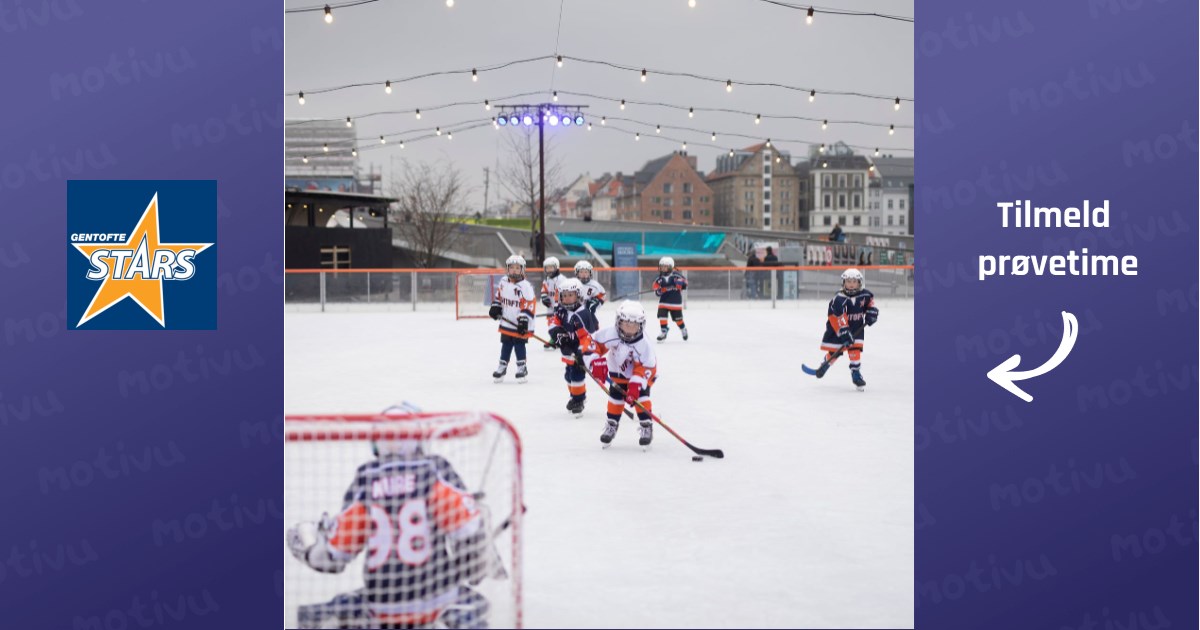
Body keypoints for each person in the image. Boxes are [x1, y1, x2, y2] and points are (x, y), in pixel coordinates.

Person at [286, 409, 499, 629]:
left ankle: (332, 618)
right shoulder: (433, 471)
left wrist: (310, 550)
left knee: (351, 602)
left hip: (383, 609)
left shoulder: (366, 480)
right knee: (477, 604)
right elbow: (469, 531)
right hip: (437, 600)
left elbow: (335, 556)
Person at [579, 301, 658, 447]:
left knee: (642, 399)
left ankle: (646, 426)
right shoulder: (611, 333)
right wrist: (595, 362)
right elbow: (592, 343)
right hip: (617, 375)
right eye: (625, 323)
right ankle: (612, 424)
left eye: (633, 325)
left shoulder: (644, 344)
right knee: (615, 399)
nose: (628, 328)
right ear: (618, 322)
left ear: (641, 325)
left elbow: (648, 366)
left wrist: (635, 386)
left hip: (638, 378)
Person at [816, 268, 878, 389]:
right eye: (848, 281)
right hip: (838, 327)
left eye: (854, 281)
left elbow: (870, 305)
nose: (851, 284)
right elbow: (838, 315)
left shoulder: (865, 295)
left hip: (857, 327)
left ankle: (856, 373)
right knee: (836, 351)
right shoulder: (839, 298)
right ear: (843, 283)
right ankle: (826, 363)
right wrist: (844, 331)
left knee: (855, 349)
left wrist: (871, 313)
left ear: (859, 283)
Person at [547, 278, 600, 416]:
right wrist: (559, 336)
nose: (567, 298)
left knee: (577, 376)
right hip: (568, 351)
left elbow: (587, 337)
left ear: (578, 295)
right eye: (564, 295)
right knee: (568, 375)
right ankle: (574, 396)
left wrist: (581, 352)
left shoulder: (582, 314)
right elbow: (554, 323)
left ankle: (579, 400)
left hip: (579, 351)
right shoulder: (561, 310)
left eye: (570, 295)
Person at [488, 255, 535, 383]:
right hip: (507, 321)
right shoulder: (503, 281)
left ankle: (522, 367)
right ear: (507, 269)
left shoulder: (525, 286)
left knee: (519, 344)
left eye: (517, 268)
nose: (514, 270)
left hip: (519, 323)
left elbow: (529, 304)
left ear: (522, 270)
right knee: (506, 344)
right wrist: (496, 307)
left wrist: (524, 320)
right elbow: (499, 298)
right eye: (511, 267)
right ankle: (502, 366)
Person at [652, 256, 688, 342]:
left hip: (675, 302)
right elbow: (655, 289)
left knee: (678, 320)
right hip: (664, 302)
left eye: (665, 266)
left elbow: (685, 283)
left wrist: (681, 283)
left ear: (671, 267)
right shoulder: (659, 279)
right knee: (662, 316)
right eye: (662, 266)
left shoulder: (676, 275)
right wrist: (659, 291)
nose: (663, 268)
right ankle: (664, 331)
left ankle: (683, 329)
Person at [539, 257, 565, 351]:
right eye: (547, 268)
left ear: (557, 267)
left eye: (551, 267)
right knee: (551, 324)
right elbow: (544, 290)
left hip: (561, 307)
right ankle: (554, 338)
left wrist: (558, 305)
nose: (549, 270)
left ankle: (561, 339)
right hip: (550, 308)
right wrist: (544, 297)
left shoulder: (561, 280)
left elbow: (562, 293)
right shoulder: (547, 280)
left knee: (561, 324)